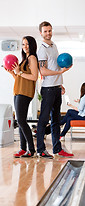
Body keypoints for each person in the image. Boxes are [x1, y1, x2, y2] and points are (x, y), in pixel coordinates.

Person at [37, 21, 74, 158]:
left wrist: (60, 83)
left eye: (50, 30)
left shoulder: (54, 46)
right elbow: (43, 71)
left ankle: (57, 149)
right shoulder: (42, 49)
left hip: (56, 88)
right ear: (41, 33)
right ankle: (40, 149)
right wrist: (60, 73)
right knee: (44, 120)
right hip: (48, 90)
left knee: (56, 121)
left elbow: (55, 66)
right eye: (45, 31)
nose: (48, 33)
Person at [5, 36, 38, 158]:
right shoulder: (25, 59)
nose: (25, 47)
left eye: (27, 44)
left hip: (25, 93)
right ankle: (23, 149)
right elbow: (20, 79)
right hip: (18, 91)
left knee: (21, 121)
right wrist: (13, 73)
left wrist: (19, 72)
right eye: (23, 44)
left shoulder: (32, 58)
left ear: (32, 45)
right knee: (20, 121)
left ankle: (31, 149)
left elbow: (34, 77)